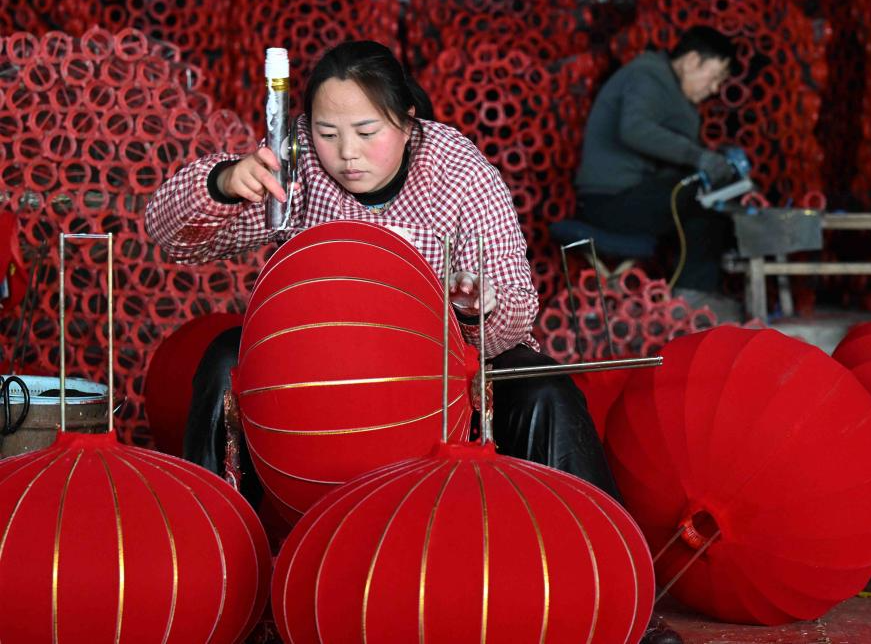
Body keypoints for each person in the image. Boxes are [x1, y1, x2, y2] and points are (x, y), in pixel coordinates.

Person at [145, 40, 620, 505]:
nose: (347, 153)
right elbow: (173, 237)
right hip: (322, 365)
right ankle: (219, 523)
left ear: (407, 120)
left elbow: (516, 308)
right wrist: (225, 182)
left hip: (442, 373)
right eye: (328, 133)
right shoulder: (296, 161)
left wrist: (476, 309)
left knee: (544, 389)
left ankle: (592, 533)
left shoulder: (457, 171)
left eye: (367, 132)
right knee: (226, 358)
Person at [574, 25, 738, 294]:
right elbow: (634, 129)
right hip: (609, 202)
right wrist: (697, 157)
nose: (715, 88)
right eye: (715, 76)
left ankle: (693, 298)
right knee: (702, 204)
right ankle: (692, 303)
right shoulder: (648, 75)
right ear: (692, 60)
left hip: (635, 196)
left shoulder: (674, 92)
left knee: (709, 204)